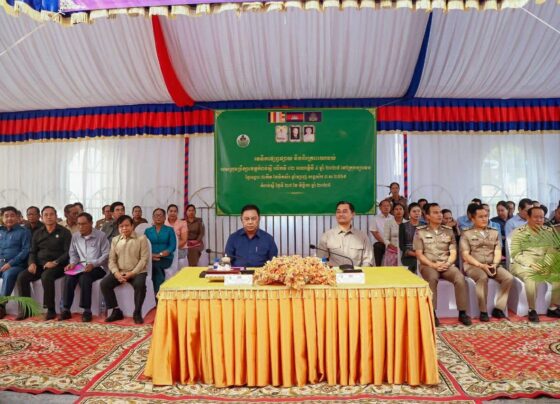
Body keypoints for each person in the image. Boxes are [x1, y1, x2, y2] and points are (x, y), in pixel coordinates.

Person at [414, 203, 472, 326]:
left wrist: (448, 263)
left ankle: (462, 312)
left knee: (460, 278)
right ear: (427, 216)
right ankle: (432, 313)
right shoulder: (420, 232)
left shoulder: (448, 231)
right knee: (432, 278)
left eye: (440, 212)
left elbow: (453, 252)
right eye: (435, 212)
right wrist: (433, 265)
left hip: (446, 264)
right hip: (428, 265)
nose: (439, 215)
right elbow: (419, 254)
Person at [16, 206, 72, 320]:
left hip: (58, 265)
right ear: (42, 217)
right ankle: (26, 309)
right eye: (46, 215)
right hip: (40, 264)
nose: (49, 217)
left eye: (51, 214)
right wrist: (32, 263)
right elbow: (32, 251)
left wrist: (55, 262)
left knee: (46, 276)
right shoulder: (38, 233)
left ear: (56, 216)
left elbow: (68, 252)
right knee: (22, 277)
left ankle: (50, 309)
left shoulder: (65, 232)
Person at [460, 204, 513, 321]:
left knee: (508, 277)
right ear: (473, 219)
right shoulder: (466, 233)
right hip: (473, 265)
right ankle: (483, 311)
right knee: (482, 277)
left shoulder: (494, 232)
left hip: (491, 264)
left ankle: (499, 308)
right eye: (480, 217)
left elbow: (497, 251)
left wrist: (495, 264)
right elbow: (465, 255)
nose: (484, 219)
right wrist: (481, 265)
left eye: (486, 216)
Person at [510, 206, 560, 322]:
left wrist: (547, 264)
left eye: (541, 217)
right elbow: (516, 254)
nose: (539, 220)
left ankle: (553, 307)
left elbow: (552, 250)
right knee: (531, 277)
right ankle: (532, 310)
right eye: (536, 217)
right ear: (528, 217)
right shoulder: (519, 232)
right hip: (522, 264)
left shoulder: (548, 232)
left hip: (543, 263)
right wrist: (532, 264)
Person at [59, 212, 110, 322]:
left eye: (83, 224)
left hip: (97, 267)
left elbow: (106, 254)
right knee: (69, 277)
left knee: (84, 278)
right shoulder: (75, 236)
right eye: (78, 224)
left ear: (91, 223)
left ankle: (87, 310)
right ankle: (66, 309)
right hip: (80, 266)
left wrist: (93, 264)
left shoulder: (101, 236)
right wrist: (72, 263)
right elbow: (73, 253)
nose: (80, 227)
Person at [100, 215, 150, 324]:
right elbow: (112, 260)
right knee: (104, 284)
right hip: (120, 271)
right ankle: (116, 311)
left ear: (132, 226)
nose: (124, 228)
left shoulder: (141, 238)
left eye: (127, 225)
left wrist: (132, 273)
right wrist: (116, 273)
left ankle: (137, 312)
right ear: (118, 228)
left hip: (137, 272)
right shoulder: (115, 240)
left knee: (140, 285)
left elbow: (144, 259)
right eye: (121, 226)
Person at [317, 201, 373, 267]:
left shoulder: (362, 236)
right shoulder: (327, 236)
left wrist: (361, 271)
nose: (341, 214)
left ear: (353, 214)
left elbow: (368, 260)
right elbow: (322, 258)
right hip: (334, 272)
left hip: (357, 272)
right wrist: (327, 266)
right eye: (338, 212)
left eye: (344, 211)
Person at [0, 207, 31, 319]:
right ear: (2, 218)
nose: (9, 218)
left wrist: (10, 263)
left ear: (17, 217)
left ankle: (1, 306)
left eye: (12, 216)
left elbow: (26, 251)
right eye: (6, 216)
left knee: (8, 274)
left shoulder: (24, 232)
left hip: (17, 265)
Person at [145, 208, 176, 295]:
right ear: (153, 217)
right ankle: (159, 291)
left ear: (164, 217)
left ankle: (157, 293)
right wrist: (151, 255)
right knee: (154, 266)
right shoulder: (148, 231)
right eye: (156, 215)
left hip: (166, 258)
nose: (158, 217)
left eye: (160, 215)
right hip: (151, 257)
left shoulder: (170, 230)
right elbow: (144, 245)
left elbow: (172, 246)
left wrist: (160, 254)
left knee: (155, 266)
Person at [399, 203, 422, 273]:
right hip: (408, 255)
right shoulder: (403, 226)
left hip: (423, 254)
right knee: (414, 263)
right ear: (409, 213)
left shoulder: (425, 226)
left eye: (418, 211)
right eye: (414, 211)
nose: (417, 213)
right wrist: (414, 254)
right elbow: (401, 245)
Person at [369, 200, 393, 266]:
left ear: (390, 207)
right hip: (380, 242)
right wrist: (386, 243)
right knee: (378, 246)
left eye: (388, 206)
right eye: (384, 206)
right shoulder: (375, 218)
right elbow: (374, 232)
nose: (386, 207)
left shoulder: (393, 218)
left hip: (392, 242)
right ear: (380, 208)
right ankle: (378, 267)